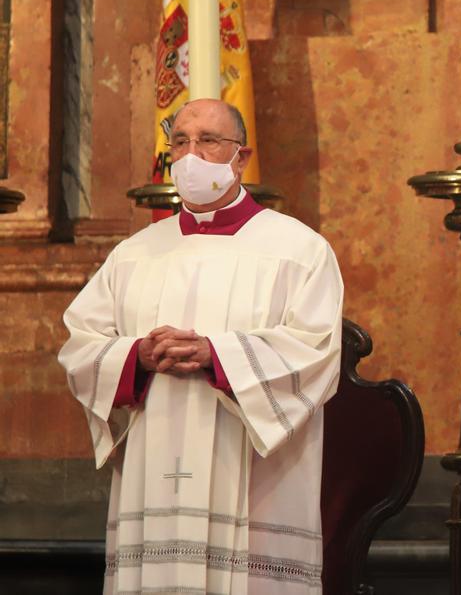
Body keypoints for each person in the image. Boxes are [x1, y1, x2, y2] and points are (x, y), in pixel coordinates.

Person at [58, 99, 344, 594]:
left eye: (209, 140)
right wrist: (137, 358)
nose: (192, 154)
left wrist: (219, 357)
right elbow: (81, 347)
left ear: (242, 156)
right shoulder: (133, 255)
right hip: (152, 472)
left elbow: (316, 350)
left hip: (258, 483)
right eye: (181, 142)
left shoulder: (299, 251)